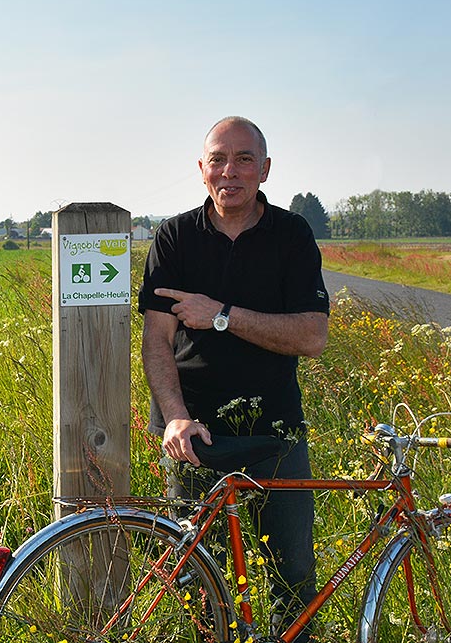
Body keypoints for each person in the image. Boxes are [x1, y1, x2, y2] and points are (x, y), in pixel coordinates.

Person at [138, 116, 329, 641]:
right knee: (201, 582)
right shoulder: (175, 236)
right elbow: (157, 340)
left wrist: (221, 314)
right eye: (218, 160)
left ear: (265, 170)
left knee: (292, 580)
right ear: (201, 170)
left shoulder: (291, 235)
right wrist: (175, 419)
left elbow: (313, 337)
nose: (230, 171)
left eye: (244, 159)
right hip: (194, 436)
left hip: (275, 434)